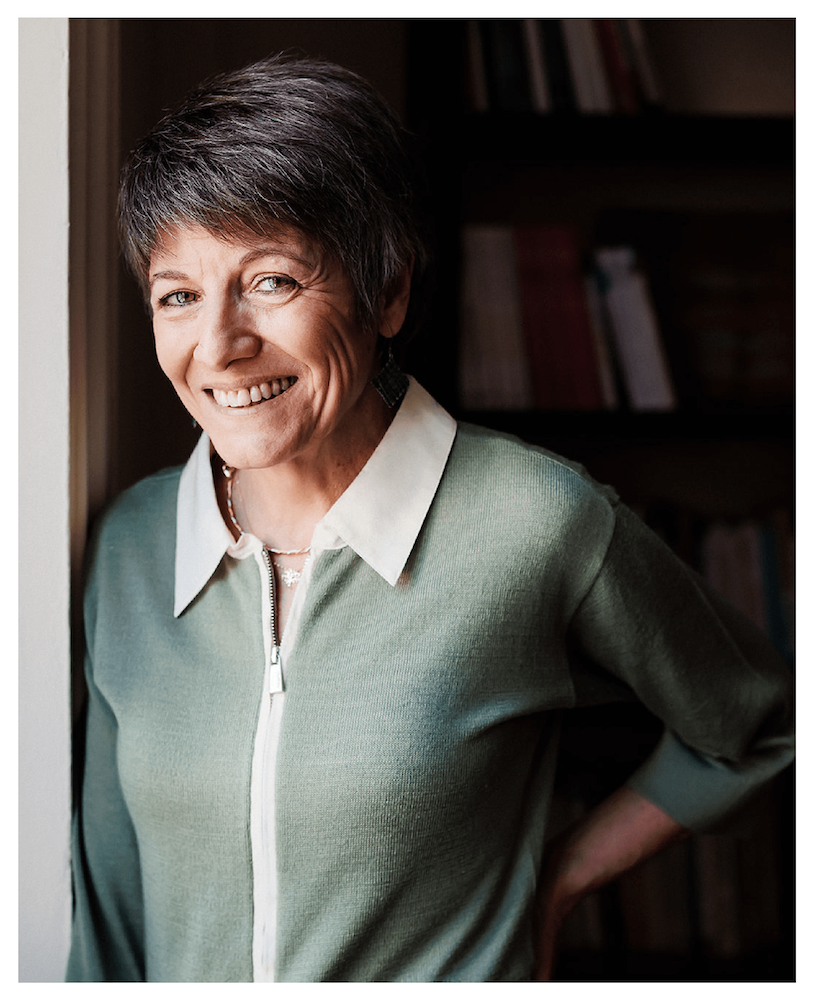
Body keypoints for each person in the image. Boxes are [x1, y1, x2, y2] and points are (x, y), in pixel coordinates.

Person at [66, 54, 794, 983]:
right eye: (178, 295)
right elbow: (110, 909)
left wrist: (560, 877)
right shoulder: (128, 545)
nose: (220, 345)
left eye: (273, 281)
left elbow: (758, 724)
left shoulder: (539, 522)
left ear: (390, 291)